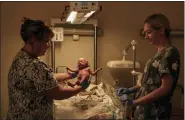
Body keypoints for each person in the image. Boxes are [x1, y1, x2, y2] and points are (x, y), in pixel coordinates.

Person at [6, 17, 90, 120]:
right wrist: (81, 87)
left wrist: (71, 75)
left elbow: (45, 79)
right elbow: (59, 93)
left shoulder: (21, 57)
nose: (49, 45)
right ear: (33, 40)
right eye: (46, 41)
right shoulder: (34, 65)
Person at [116, 13, 180, 120]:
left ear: (161, 31)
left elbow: (165, 88)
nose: (146, 37)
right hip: (144, 111)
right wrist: (130, 90)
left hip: (155, 113)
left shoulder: (169, 53)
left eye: (148, 32)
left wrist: (135, 102)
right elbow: (148, 84)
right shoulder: (158, 54)